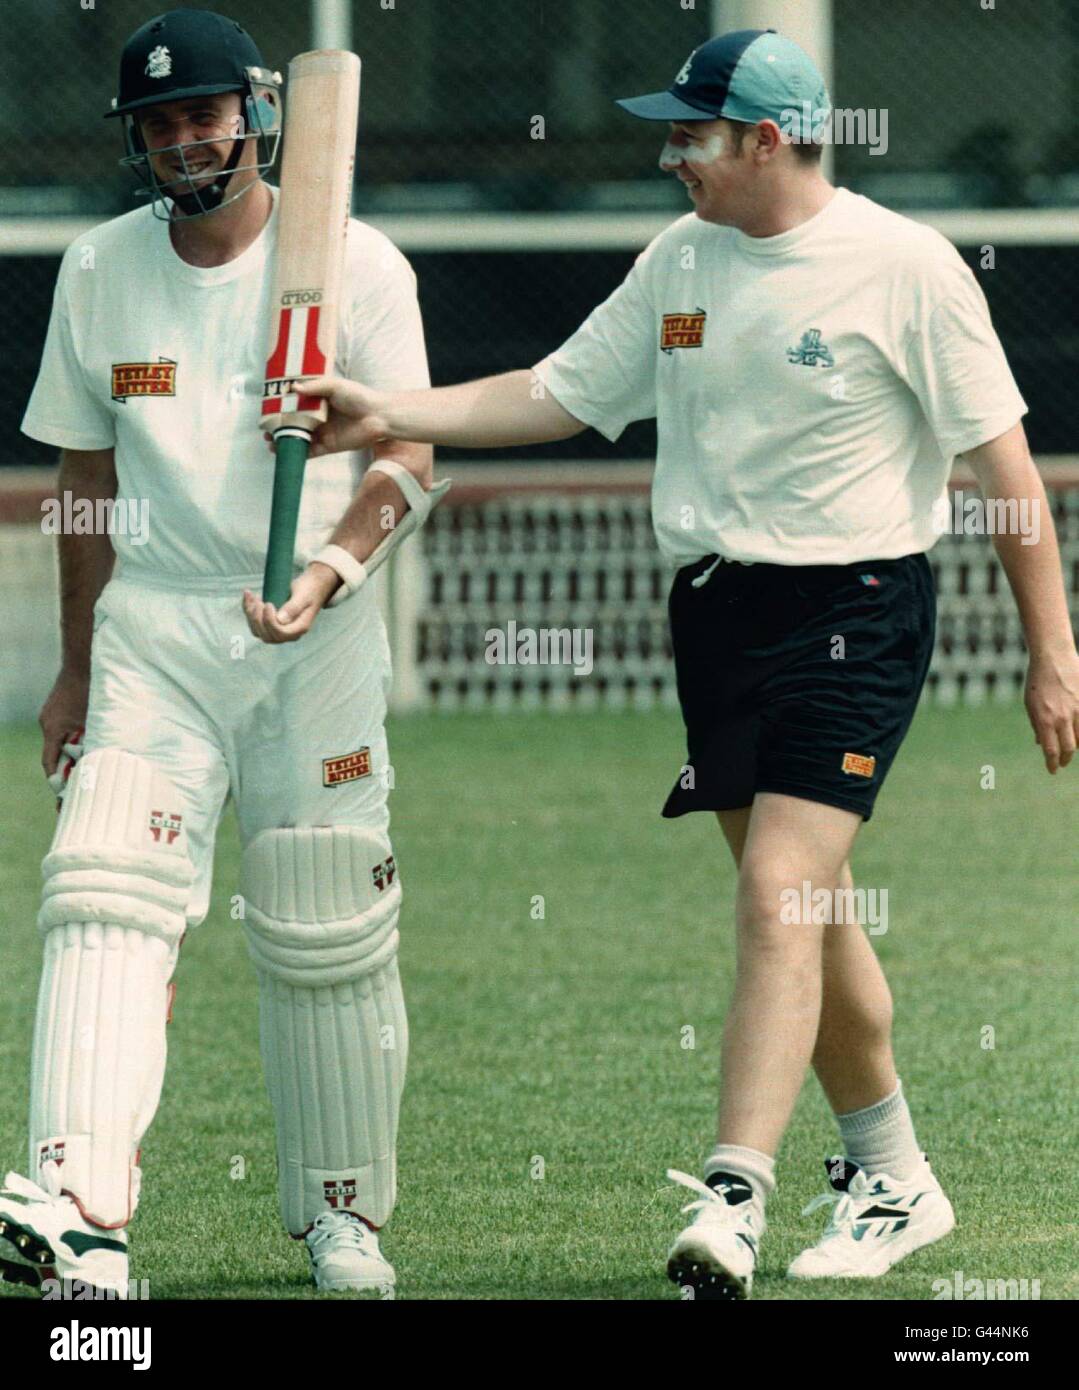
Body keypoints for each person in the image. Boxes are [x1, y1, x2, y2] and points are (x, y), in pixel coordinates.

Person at [281, 29, 1079, 1300]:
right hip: (713, 616)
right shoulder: (679, 261)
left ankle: (732, 1195)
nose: (668, 156)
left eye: (689, 136)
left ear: (766, 140)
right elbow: (554, 392)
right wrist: (392, 412)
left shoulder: (906, 267)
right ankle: (893, 1174)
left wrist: (1052, 647)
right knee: (808, 917)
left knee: (778, 896)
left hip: (858, 608)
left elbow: (1000, 472)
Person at [2, 8, 437, 1298]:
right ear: (138, 141)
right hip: (158, 628)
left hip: (319, 634)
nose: (187, 138)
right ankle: (77, 1208)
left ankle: (343, 1219)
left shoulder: (356, 265)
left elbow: (409, 459)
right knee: (103, 891)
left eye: (204, 113)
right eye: (160, 122)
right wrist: (75, 668)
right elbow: (84, 485)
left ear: (253, 115)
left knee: (326, 913)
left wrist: (327, 569)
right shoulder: (97, 271)